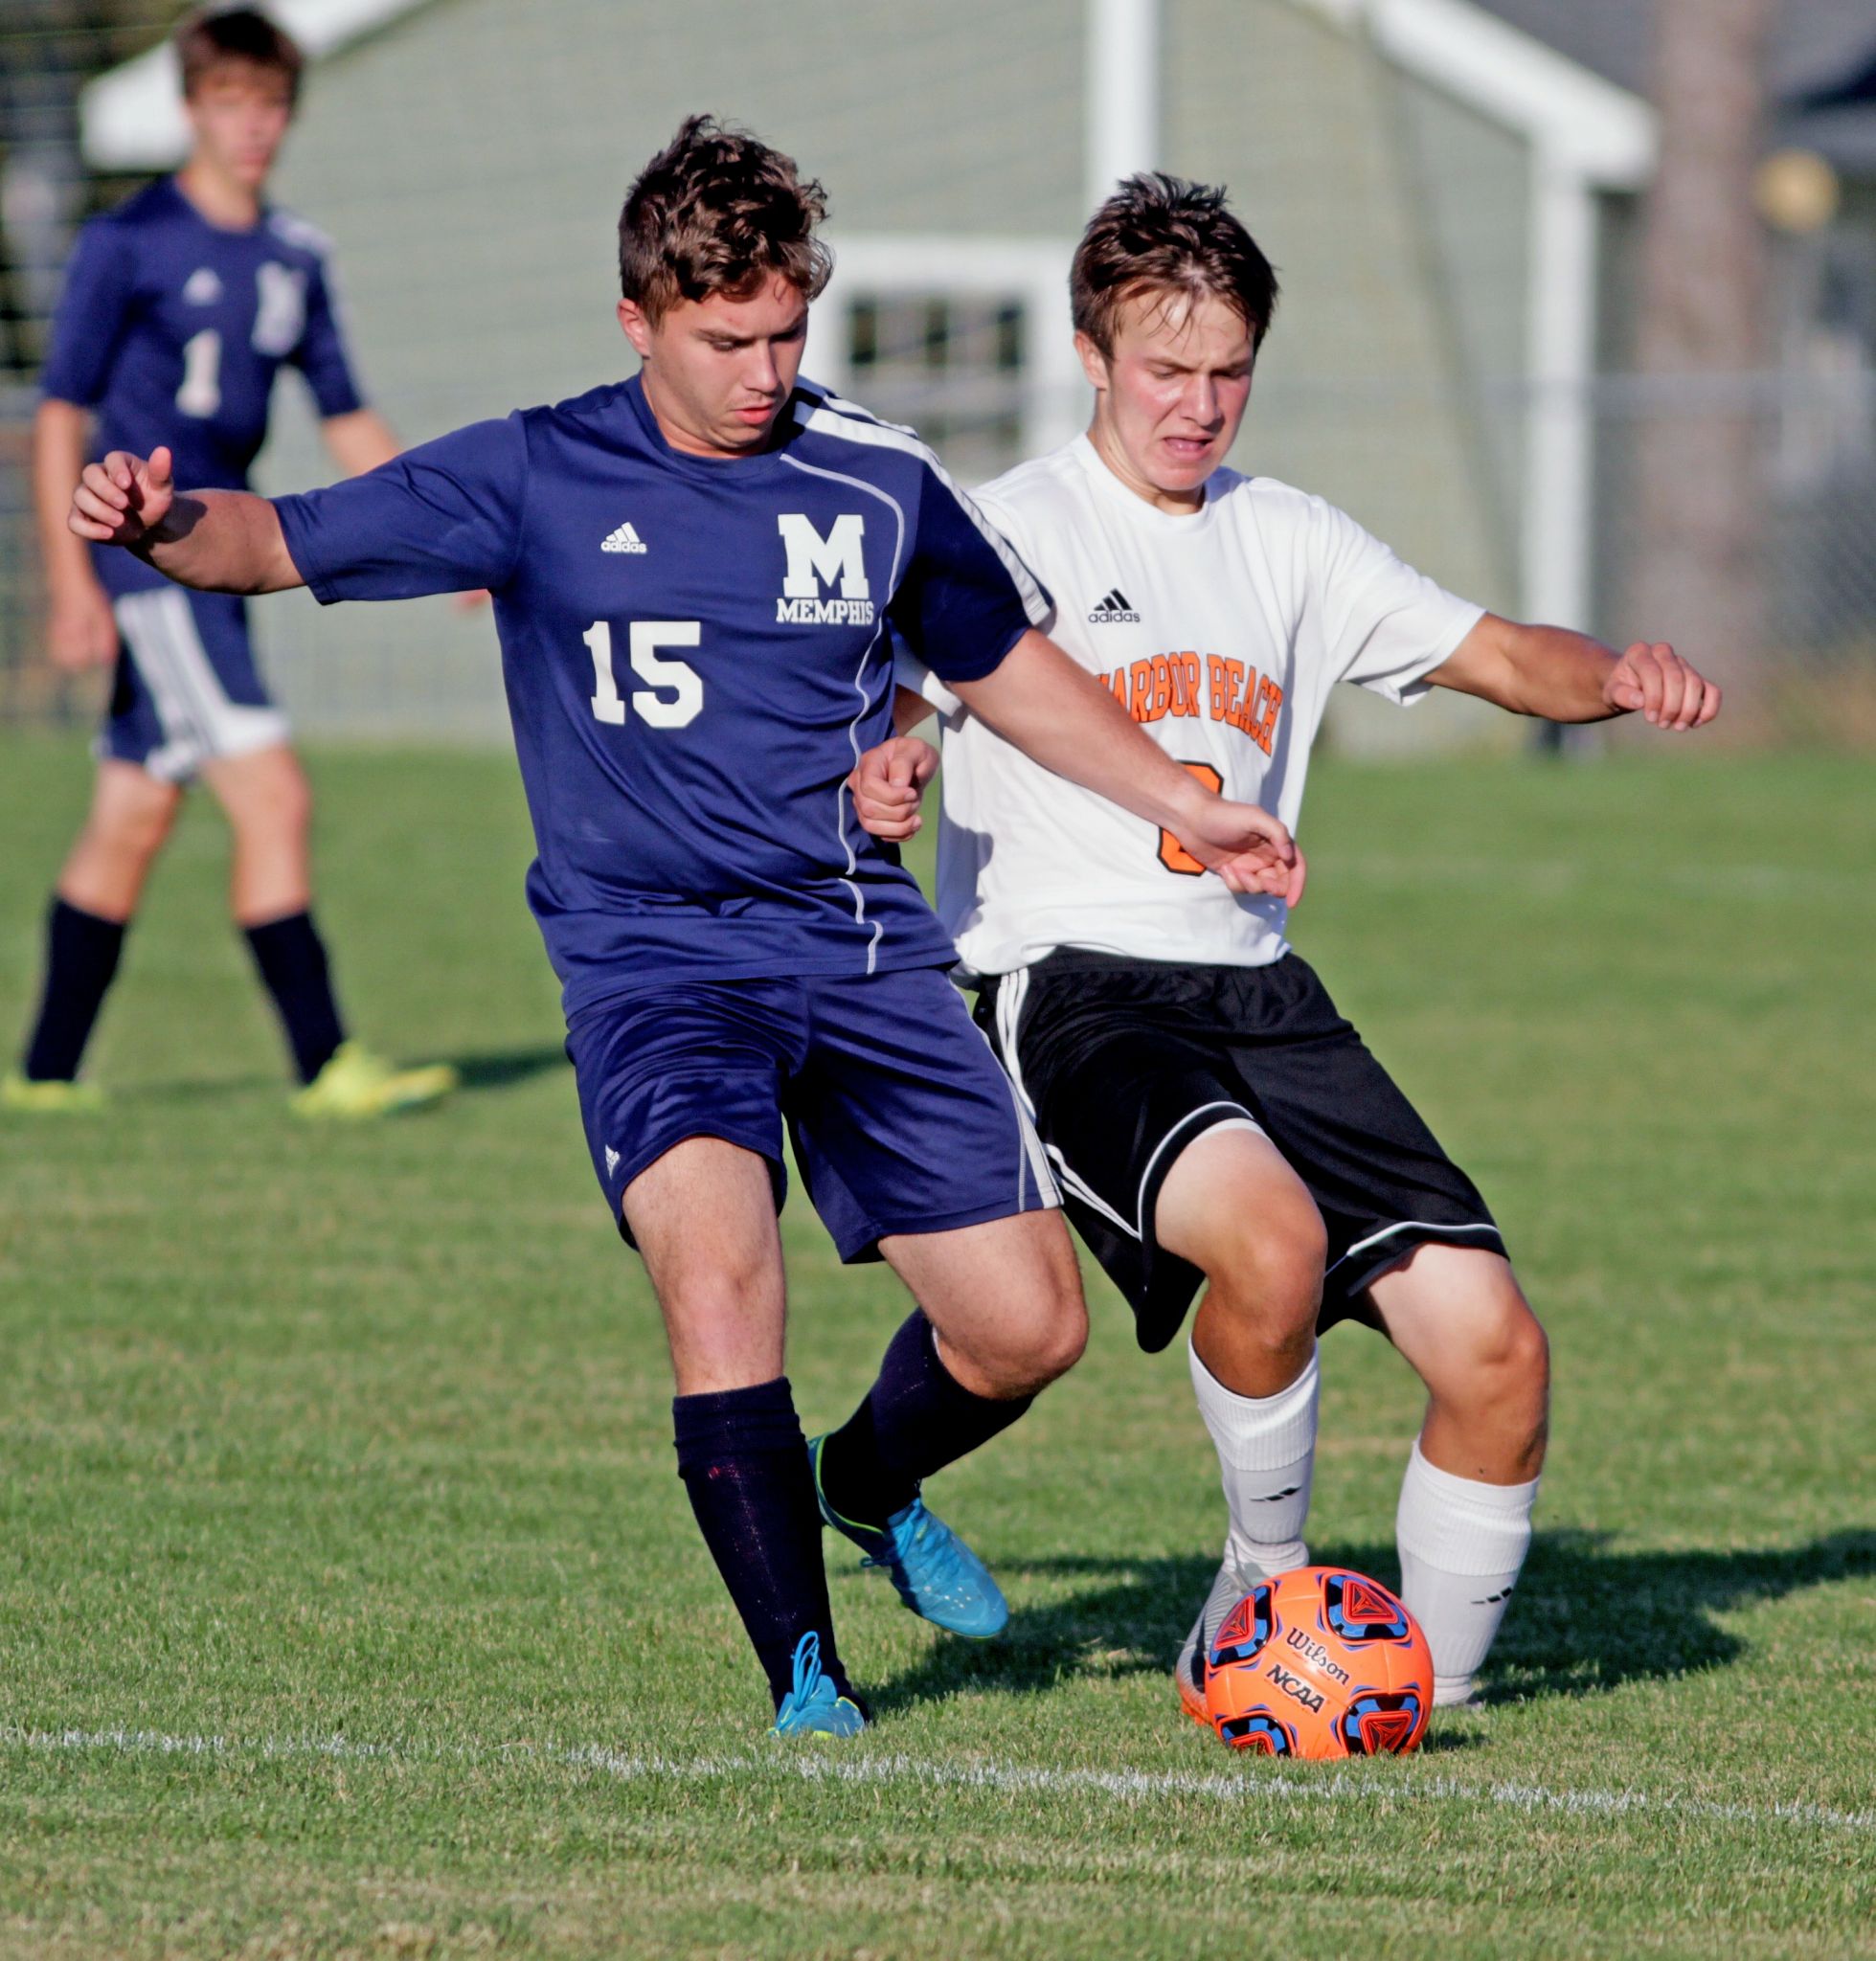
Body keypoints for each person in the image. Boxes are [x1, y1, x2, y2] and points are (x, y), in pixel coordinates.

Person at [65, 120, 1302, 1737]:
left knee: (1028, 1325)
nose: (761, 369)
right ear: (637, 319)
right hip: (653, 965)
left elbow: (1006, 669)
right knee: (718, 1275)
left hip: (859, 953)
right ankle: (806, 1675)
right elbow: (281, 537)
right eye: (726, 338)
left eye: (788, 331)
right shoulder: (533, 472)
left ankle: (864, 1482)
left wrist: (1178, 796)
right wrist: (159, 517)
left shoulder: (870, 483)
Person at [854, 172, 1721, 1718]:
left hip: (1259, 987)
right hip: (1068, 986)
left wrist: (1614, 674)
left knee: (1495, 1354)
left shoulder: (1290, 539)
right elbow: (892, 719)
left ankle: (1412, 1707)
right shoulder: (1002, 530)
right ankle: (1255, 1595)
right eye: (1164, 368)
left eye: (1227, 370)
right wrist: (890, 764)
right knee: (1267, 1237)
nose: (1197, 405)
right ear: (1089, 354)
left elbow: (1500, 654)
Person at [7, 7, 455, 1119]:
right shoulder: (126, 241)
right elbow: (61, 411)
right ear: (192, 107)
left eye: (270, 106)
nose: (252, 127)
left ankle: (44, 1077)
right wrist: (73, 581)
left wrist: (448, 528)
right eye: (230, 104)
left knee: (133, 811)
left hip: (226, 562)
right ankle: (325, 1061)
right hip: (147, 560)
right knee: (273, 794)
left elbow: (347, 417)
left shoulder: (295, 257)